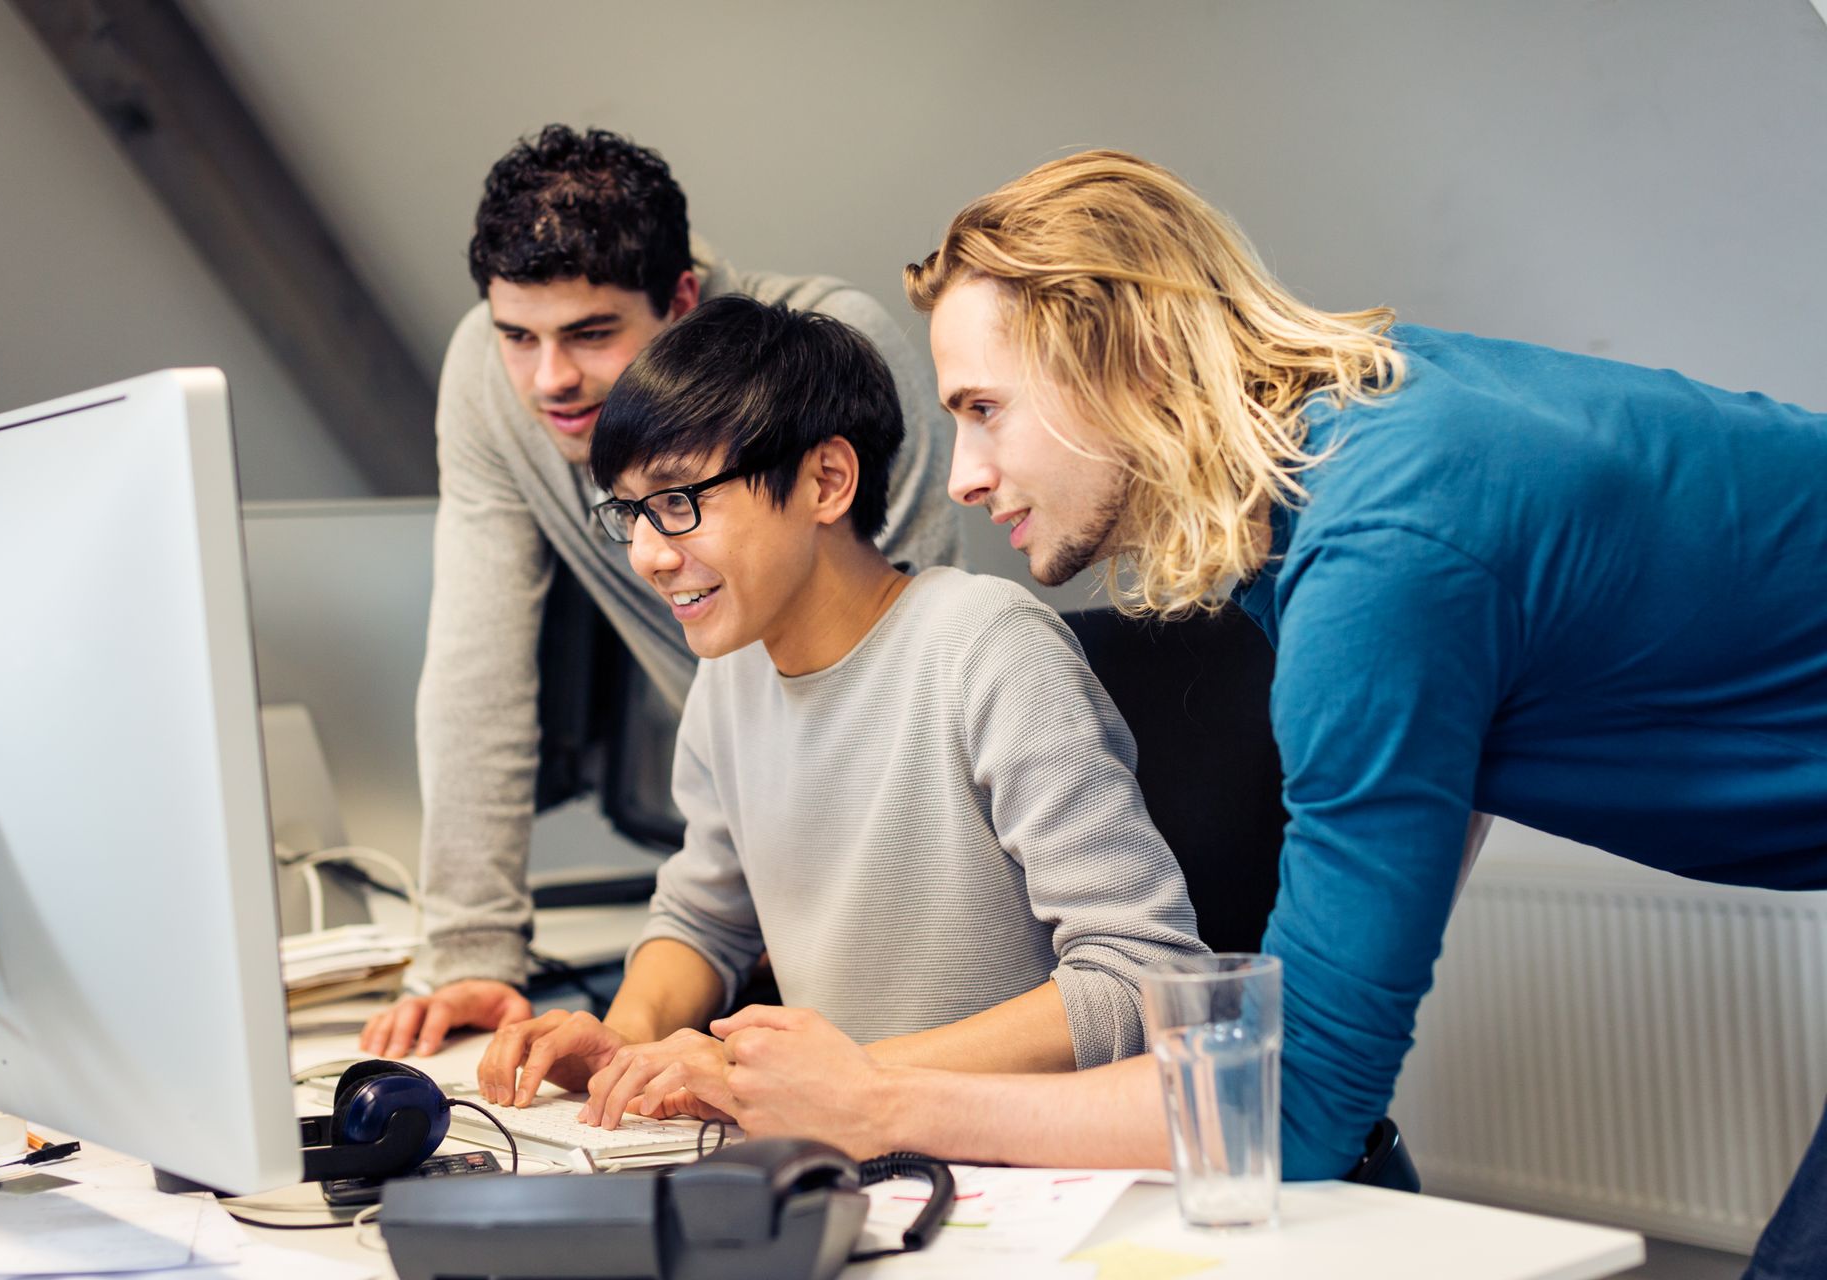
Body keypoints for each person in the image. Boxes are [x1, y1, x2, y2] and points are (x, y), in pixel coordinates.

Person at [663, 151, 1827, 1276]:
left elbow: (1302, 1112)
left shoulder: (1381, 547)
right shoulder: (1332, 457)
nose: (962, 474)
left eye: (985, 408)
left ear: (1133, 359)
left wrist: (882, 1101)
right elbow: (1440, 774)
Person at [469, 294, 1208, 1126]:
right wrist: (625, 1036)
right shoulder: (729, 678)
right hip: (854, 1161)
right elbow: (703, 918)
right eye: (630, 512)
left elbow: (1140, 977)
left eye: (679, 502)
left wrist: (847, 1081)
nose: (646, 554)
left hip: (1020, 1172)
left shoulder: (986, 646)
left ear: (826, 481)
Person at [358, 126, 958, 1059]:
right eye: (517, 335)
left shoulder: (823, 365)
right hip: (722, 842)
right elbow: (479, 664)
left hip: (874, 877)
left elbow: (888, 684)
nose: (550, 379)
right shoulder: (487, 376)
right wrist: (472, 947)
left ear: (681, 298)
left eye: (592, 334)